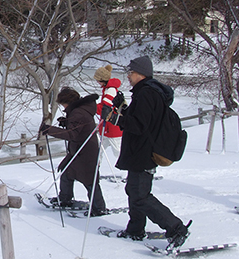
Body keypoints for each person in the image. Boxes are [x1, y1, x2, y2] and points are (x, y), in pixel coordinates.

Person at [110, 55, 190, 246]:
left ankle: (176, 228)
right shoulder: (146, 92)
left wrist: (115, 119)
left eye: (131, 72)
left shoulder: (147, 94)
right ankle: (135, 229)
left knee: (140, 196)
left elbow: (138, 126)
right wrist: (121, 107)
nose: (128, 76)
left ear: (141, 73)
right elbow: (141, 119)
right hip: (141, 150)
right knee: (134, 191)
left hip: (143, 151)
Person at [40, 87, 107, 216]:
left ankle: (99, 208)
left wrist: (49, 130)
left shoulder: (78, 113)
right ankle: (65, 199)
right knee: (67, 172)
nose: (63, 107)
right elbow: (79, 127)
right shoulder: (79, 110)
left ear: (68, 102)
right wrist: (67, 122)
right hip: (80, 149)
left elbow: (72, 134)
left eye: (63, 104)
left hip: (85, 151)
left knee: (90, 180)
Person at [93, 65, 123, 158]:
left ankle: (128, 170)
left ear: (102, 80)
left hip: (113, 129)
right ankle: (96, 168)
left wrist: (92, 107)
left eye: (98, 80)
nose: (97, 82)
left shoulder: (111, 90)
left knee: (118, 152)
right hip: (105, 128)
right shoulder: (106, 89)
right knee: (98, 151)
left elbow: (105, 108)